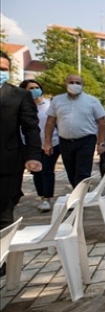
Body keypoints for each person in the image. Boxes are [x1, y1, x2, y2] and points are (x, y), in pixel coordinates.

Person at [0, 51, 42, 277]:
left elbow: (30, 127)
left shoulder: (18, 96)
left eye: (4, 69)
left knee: (4, 213)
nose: (1, 72)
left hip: (7, 163)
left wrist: (33, 155)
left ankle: (1, 259)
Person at [44, 74, 105, 188]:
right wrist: (47, 142)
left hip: (86, 140)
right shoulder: (57, 100)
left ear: (83, 85)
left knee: (83, 172)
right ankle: (78, 193)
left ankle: (80, 199)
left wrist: (101, 143)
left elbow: (102, 122)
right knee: (70, 170)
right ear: (65, 84)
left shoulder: (92, 101)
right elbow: (50, 122)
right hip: (65, 141)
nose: (74, 85)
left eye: (78, 83)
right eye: (71, 82)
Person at [19, 79, 59, 212]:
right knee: (36, 171)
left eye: (37, 87)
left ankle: (47, 199)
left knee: (47, 170)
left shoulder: (49, 105)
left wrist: (49, 142)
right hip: (30, 146)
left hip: (51, 143)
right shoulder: (20, 107)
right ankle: (41, 196)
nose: (35, 90)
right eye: (30, 88)